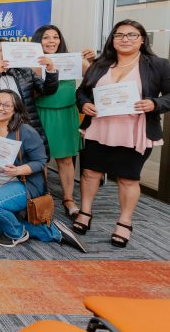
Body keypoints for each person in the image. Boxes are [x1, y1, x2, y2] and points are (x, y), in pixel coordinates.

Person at [73, 20, 170, 247]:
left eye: (132, 35)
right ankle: (85, 212)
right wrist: (84, 104)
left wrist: (154, 104)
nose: (125, 39)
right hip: (99, 129)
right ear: (113, 39)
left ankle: (124, 222)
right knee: (90, 173)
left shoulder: (158, 65)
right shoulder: (100, 64)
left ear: (142, 39)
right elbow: (82, 92)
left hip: (134, 132)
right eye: (119, 35)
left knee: (128, 178)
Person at [0, 90, 86, 252]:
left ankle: (18, 233)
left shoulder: (25, 130)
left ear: (16, 109)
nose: (0, 108)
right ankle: (54, 231)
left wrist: (18, 170)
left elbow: (41, 161)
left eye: (7, 105)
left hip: (23, 183)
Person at [31, 25, 95, 217]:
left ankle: (68, 199)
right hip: (40, 113)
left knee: (66, 159)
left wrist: (91, 61)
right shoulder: (31, 61)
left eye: (55, 37)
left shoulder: (74, 60)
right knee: (41, 159)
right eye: (46, 37)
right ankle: (43, 196)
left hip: (66, 114)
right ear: (38, 41)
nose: (51, 41)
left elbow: (96, 78)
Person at [0, 39, 58, 153]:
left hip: (25, 123)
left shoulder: (25, 71)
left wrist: (51, 70)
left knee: (29, 156)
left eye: (7, 50)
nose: (4, 54)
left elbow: (47, 90)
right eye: (0, 50)